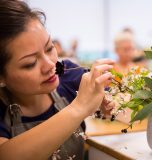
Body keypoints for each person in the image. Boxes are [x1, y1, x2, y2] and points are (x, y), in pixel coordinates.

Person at [0, 1, 115, 160]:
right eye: (30, 63)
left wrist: (107, 101)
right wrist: (78, 107)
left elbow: (106, 89)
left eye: (49, 48)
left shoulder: (67, 73)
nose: (50, 65)